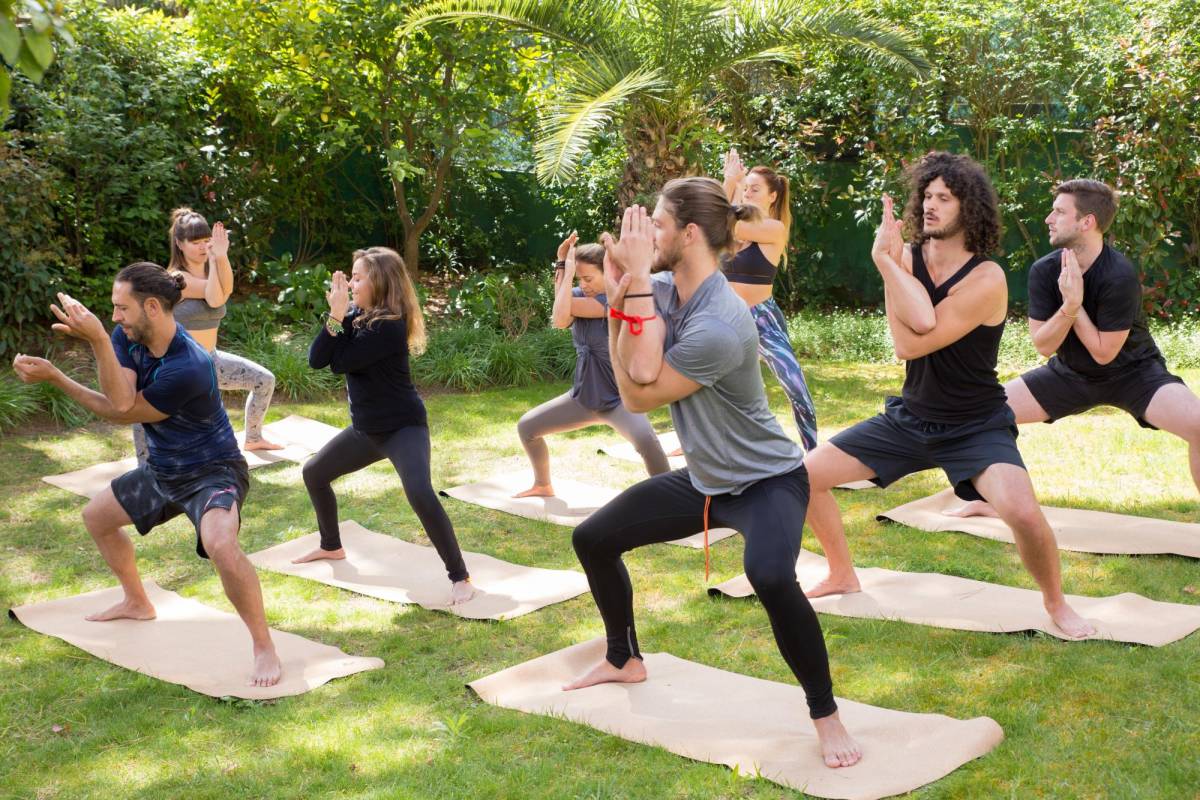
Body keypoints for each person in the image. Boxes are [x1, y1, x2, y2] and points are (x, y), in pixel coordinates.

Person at [565, 177, 861, 769]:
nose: (650, 232)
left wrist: (627, 301)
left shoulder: (722, 321)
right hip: (705, 482)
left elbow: (642, 393)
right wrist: (628, 292)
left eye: (659, 223)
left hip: (766, 482)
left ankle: (826, 716)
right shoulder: (667, 288)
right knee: (592, 538)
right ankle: (624, 658)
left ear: (690, 234)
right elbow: (638, 356)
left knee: (771, 577)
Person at [799, 152, 1096, 639]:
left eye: (944, 198)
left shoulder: (987, 278)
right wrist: (892, 265)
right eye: (927, 197)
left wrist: (886, 265)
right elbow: (908, 329)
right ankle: (841, 572)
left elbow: (912, 339)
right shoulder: (908, 258)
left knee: (1022, 511)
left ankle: (1057, 603)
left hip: (974, 423)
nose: (930, 206)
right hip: (910, 418)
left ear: (969, 208)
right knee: (803, 476)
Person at [12, 263, 282, 686]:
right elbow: (120, 392)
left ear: (152, 307)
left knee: (221, 546)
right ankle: (137, 601)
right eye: (113, 312)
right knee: (96, 518)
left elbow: (121, 411)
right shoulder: (130, 336)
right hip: (163, 469)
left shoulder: (188, 366)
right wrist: (104, 340)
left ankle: (264, 646)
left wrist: (69, 365)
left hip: (212, 471)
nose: (115, 317)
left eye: (122, 309)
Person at [946, 179, 1200, 518]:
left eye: (1059, 212)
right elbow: (1042, 344)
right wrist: (1069, 306)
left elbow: (1104, 353)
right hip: (1069, 375)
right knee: (982, 414)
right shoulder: (1045, 270)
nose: (1049, 219)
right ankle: (987, 498)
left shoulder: (1118, 275)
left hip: (1135, 374)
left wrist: (1074, 304)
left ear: (1087, 222)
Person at [290, 247, 474, 606]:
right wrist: (338, 315)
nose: (351, 283)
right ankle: (331, 546)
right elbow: (317, 359)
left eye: (358, 277)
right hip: (366, 431)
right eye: (352, 276)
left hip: (403, 429)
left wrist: (337, 316)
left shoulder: (389, 326)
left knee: (420, 493)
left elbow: (340, 361)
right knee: (314, 472)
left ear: (381, 283)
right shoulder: (357, 315)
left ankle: (460, 576)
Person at [513, 232, 671, 498]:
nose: (583, 284)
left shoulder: (611, 298)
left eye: (588, 278)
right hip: (583, 398)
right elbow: (560, 317)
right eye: (579, 279)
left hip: (619, 400)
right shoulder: (576, 295)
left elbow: (563, 311)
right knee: (527, 428)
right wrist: (563, 265)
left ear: (606, 272)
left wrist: (569, 270)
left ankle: (672, 498)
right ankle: (543, 484)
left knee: (646, 441)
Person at [131, 208, 281, 462]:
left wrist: (220, 258)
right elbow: (216, 297)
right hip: (178, 364)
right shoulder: (177, 278)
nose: (203, 247)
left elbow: (227, 289)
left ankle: (254, 438)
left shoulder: (213, 268)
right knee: (153, 409)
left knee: (263, 380)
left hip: (209, 359)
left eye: (205, 241)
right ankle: (144, 463)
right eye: (195, 242)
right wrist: (217, 259)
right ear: (179, 244)